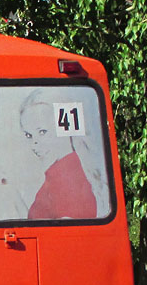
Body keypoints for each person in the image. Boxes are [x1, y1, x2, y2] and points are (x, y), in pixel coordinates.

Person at [19, 89, 99, 219]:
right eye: (29, 135)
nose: (35, 143)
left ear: (63, 129)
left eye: (42, 132)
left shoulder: (69, 182)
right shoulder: (60, 176)